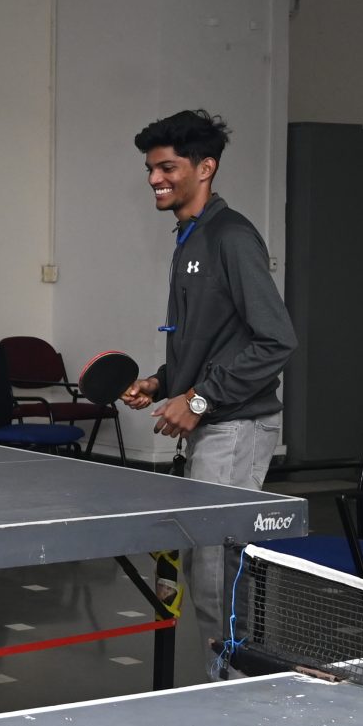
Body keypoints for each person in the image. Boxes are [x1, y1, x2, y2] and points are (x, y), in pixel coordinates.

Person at [118, 109, 296, 678]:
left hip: (236, 426)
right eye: (151, 169)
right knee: (205, 568)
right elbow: (214, 340)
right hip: (216, 420)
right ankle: (222, 682)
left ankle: (232, 689)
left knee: (218, 571)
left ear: (205, 167)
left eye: (168, 167)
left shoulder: (232, 237)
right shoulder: (191, 237)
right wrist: (162, 382)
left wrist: (197, 400)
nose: (155, 178)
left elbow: (276, 340)